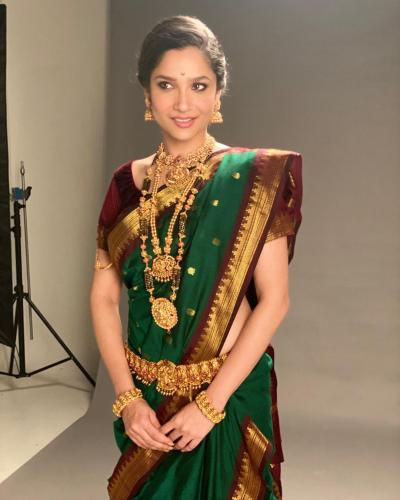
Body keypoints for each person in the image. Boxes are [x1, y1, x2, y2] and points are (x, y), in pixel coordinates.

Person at [90, 14, 303, 500]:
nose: (183, 103)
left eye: (198, 86)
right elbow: (103, 298)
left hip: (225, 396)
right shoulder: (125, 185)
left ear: (218, 93)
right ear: (147, 94)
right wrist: (126, 398)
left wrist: (210, 405)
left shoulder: (255, 178)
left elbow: (275, 300)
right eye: (166, 85)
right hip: (146, 401)